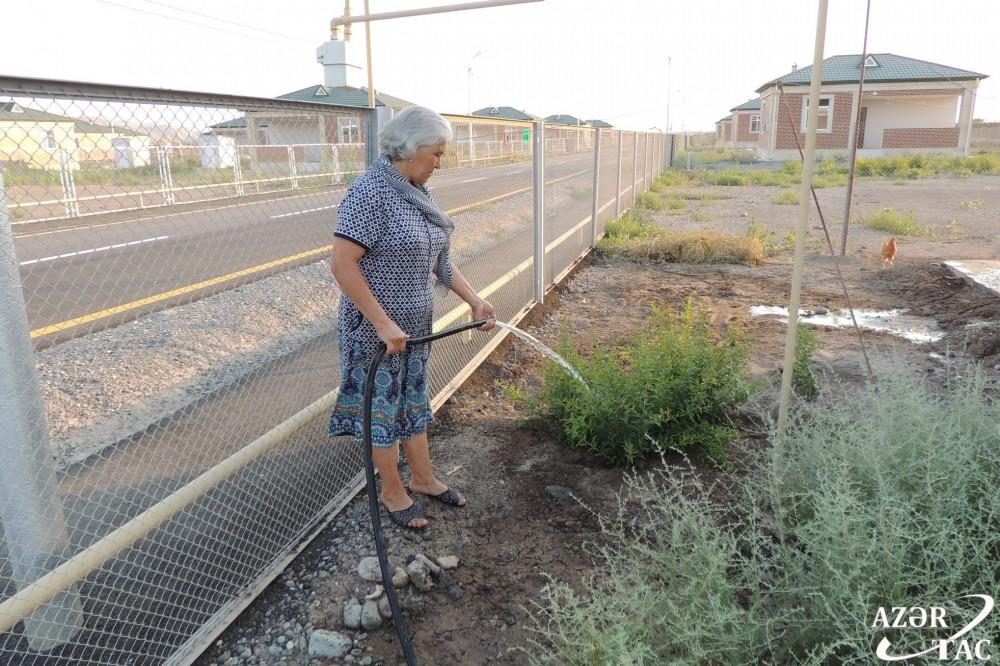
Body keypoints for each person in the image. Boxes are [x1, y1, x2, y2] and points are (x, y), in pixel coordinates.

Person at [329, 106, 496, 530]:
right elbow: (343, 264)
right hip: (376, 332)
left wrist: (475, 300)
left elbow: (437, 258)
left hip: (415, 330)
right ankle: (390, 489)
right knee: (382, 410)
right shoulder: (370, 193)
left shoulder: (417, 192)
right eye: (437, 153)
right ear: (411, 148)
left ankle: (422, 479)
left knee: (413, 402)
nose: (440, 162)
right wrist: (383, 324)